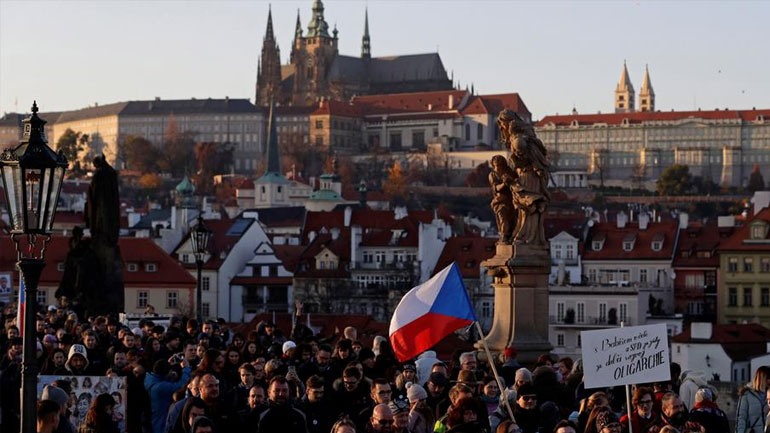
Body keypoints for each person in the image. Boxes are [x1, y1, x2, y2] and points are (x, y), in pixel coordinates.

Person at [145, 358, 192, 433]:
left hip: (155, 420)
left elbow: (164, 380)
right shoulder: (159, 387)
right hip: (161, 424)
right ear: (166, 373)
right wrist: (186, 368)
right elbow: (181, 385)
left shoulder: (150, 379)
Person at [737, 366, 770, 433]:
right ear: (762, 378)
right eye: (768, 378)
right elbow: (741, 419)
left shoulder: (769, 393)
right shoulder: (747, 395)